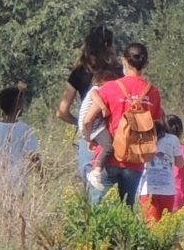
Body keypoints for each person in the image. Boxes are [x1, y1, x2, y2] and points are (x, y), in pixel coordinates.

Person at [77, 40, 165, 207]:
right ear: (145, 63)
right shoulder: (153, 92)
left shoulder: (110, 87)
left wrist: (89, 139)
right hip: (135, 160)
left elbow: (88, 119)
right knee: (127, 209)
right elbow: (155, 124)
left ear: (124, 60)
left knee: (99, 208)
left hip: (108, 158)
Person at [58, 24, 119, 195]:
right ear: (108, 46)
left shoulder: (79, 72)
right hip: (114, 134)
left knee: (92, 188)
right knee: (115, 190)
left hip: (89, 136)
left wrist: (81, 124)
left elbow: (62, 111)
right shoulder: (117, 72)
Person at [0, 83, 41, 183]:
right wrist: (41, 178)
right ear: (18, 105)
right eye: (22, 103)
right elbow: (34, 157)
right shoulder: (25, 129)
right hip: (18, 183)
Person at [137, 110, 184, 225]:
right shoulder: (173, 139)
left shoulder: (142, 138)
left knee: (151, 226)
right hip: (167, 188)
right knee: (165, 227)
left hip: (146, 188)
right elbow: (180, 163)